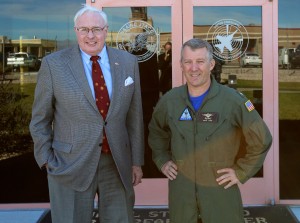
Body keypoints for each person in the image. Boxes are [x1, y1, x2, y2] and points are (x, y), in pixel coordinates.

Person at [29, 4, 144, 223]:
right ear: (76, 31)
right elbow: (39, 119)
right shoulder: (54, 65)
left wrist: (136, 161)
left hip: (117, 165)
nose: (90, 35)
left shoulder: (128, 62)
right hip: (69, 164)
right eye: (84, 29)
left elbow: (134, 117)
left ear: (106, 30)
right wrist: (46, 160)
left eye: (96, 29)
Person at [148, 38, 272, 223]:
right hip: (182, 194)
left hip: (220, 194)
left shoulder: (232, 101)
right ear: (181, 65)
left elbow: (262, 139)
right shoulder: (169, 101)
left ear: (211, 64)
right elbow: (157, 132)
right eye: (188, 62)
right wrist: (162, 160)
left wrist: (241, 171)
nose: (193, 68)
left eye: (200, 61)